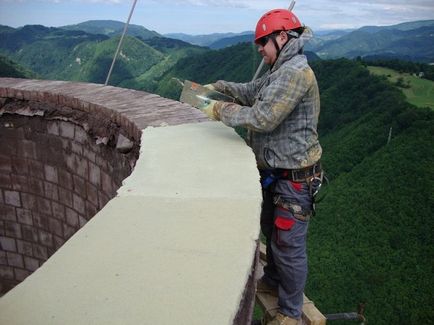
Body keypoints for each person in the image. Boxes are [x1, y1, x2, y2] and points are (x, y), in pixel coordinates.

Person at [198, 8, 323, 325]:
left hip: (295, 180)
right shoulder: (281, 70)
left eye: (263, 42)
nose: (260, 49)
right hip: (278, 176)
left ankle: (291, 313)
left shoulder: (295, 73)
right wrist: (224, 87)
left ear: (282, 37)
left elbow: (262, 118)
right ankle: (272, 280)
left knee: (289, 245)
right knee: (273, 231)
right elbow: (254, 93)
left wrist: (218, 109)